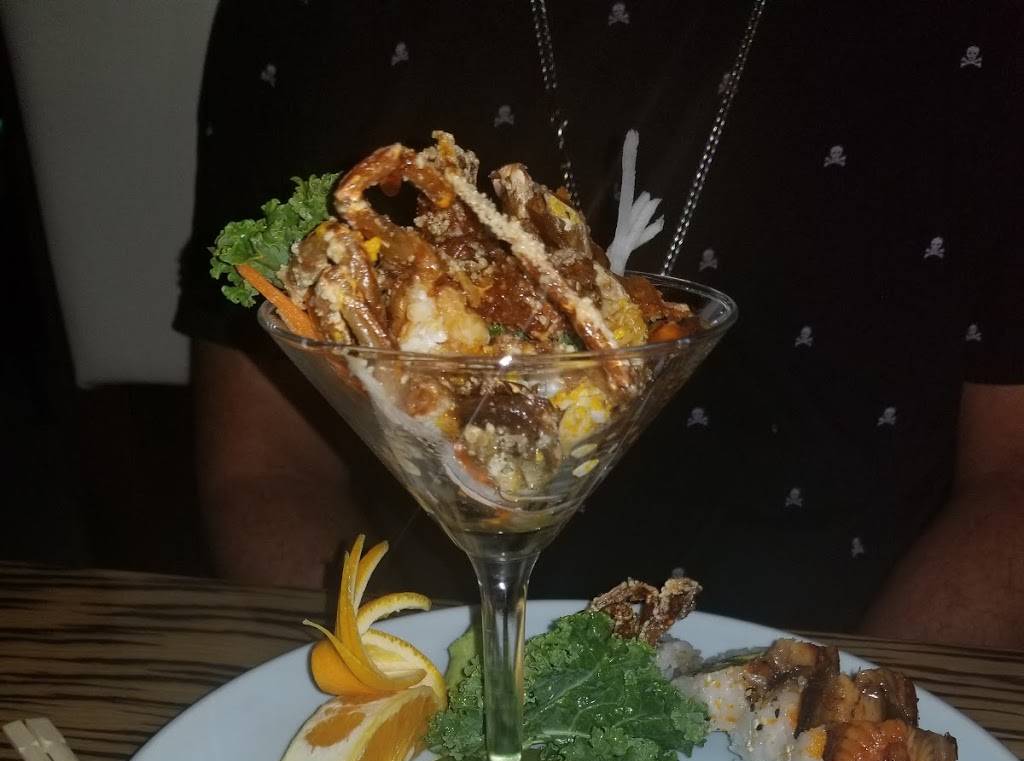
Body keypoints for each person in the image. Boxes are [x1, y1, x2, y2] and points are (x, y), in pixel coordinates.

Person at [175, 0, 1024, 645]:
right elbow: (260, 469)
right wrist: (404, 682)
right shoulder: (308, 22)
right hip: (418, 618)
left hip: (844, 637)